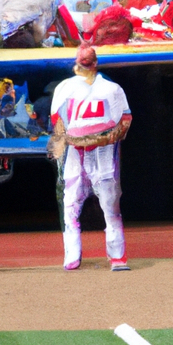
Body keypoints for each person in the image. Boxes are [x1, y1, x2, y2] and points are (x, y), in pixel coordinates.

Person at [48, 42, 132, 271]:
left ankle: (117, 256)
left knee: (109, 204)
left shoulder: (111, 89)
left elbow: (124, 121)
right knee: (71, 204)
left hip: (103, 153)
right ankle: (73, 256)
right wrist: (74, 141)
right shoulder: (65, 88)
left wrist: (101, 139)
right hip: (76, 153)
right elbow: (58, 122)